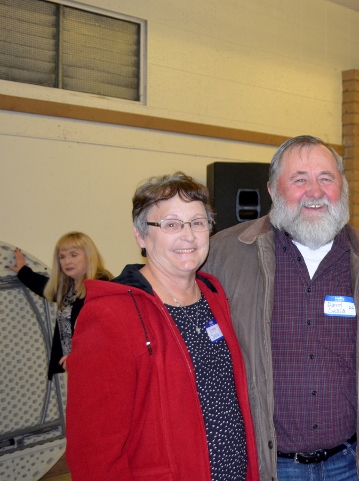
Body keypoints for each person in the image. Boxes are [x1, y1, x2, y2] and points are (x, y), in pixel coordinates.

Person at [203, 135, 359, 481]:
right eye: (299, 179)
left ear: (342, 187)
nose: (315, 192)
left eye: (326, 178)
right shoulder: (221, 258)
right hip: (267, 466)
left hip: (352, 463)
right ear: (273, 189)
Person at [65, 172, 258, 481]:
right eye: (171, 224)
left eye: (197, 222)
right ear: (141, 236)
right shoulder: (110, 314)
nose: (189, 236)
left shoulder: (213, 294)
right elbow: (93, 451)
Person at [7, 232, 112, 380]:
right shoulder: (69, 287)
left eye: (73, 255)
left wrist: (79, 356)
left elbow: (105, 334)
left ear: (89, 256)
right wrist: (23, 271)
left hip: (94, 370)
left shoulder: (102, 286)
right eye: (62, 257)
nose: (67, 261)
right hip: (72, 367)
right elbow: (45, 287)